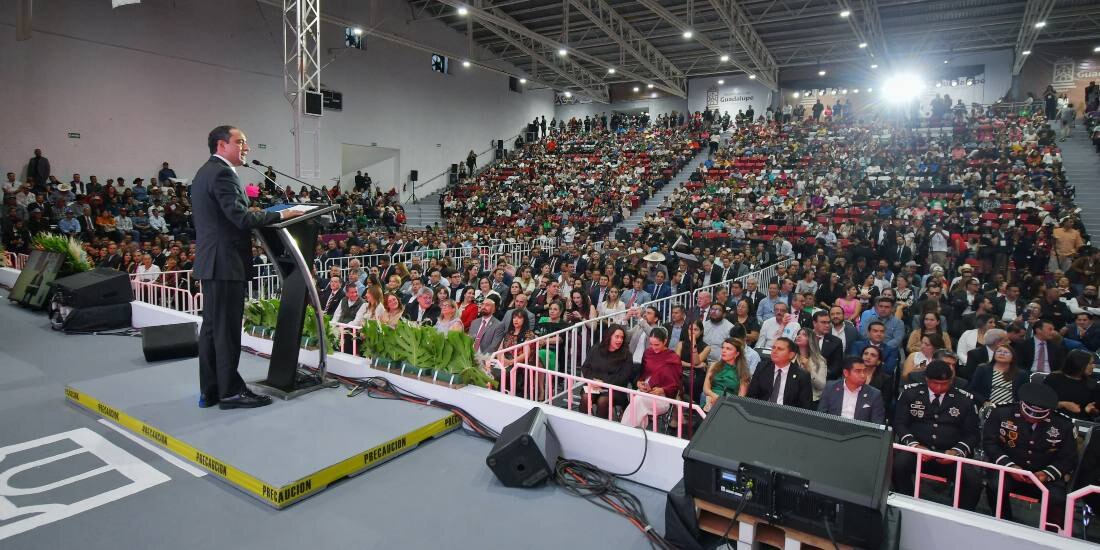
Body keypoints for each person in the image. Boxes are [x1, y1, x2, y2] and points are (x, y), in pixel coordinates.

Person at [191, 125, 303, 410]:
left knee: (213, 329)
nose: (247, 148)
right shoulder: (222, 173)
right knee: (226, 331)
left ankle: (211, 391)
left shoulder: (204, 172)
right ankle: (230, 393)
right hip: (225, 263)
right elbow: (240, 218)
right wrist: (280, 214)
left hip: (213, 262)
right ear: (221, 145)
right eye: (240, 142)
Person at [982, 382, 1076, 527]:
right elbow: (990, 443)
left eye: (1038, 415)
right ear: (1022, 404)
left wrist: (1046, 474)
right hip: (1010, 470)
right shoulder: (1001, 413)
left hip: (1045, 475)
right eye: (1029, 412)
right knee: (995, 486)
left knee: (1057, 499)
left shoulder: (1064, 425)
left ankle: (1052, 532)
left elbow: (1068, 457)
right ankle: (1003, 523)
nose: (1032, 418)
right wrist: (1010, 466)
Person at [891, 361, 982, 510]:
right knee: (897, 466)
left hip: (949, 455)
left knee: (973, 481)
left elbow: (972, 434)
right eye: (935, 383)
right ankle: (905, 505)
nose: (939, 388)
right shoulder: (911, 393)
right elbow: (900, 423)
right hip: (917, 451)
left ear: (951, 381)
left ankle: (961, 515)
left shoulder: (964, 400)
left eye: (944, 384)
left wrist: (956, 451)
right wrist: (914, 445)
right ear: (926, 379)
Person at [620, 327, 682, 429]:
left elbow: (676, 384)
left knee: (638, 400)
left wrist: (662, 390)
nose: (653, 347)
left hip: (663, 397)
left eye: (657, 345)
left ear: (665, 341)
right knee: (638, 401)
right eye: (651, 344)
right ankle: (633, 432)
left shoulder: (673, 358)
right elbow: (642, 374)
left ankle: (625, 430)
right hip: (646, 391)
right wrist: (639, 383)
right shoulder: (648, 352)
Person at [580, 324, 634, 418]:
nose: (620, 340)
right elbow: (585, 368)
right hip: (595, 385)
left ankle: (600, 426)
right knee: (585, 398)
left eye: (622, 337)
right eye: (617, 337)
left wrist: (603, 382)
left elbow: (623, 377)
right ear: (609, 336)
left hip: (615, 388)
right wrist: (593, 380)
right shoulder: (596, 349)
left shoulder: (627, 355)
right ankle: (584, 423)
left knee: (603, 401)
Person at [745, 337, 813, 409]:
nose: (774, 351)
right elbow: (751, 395)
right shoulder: (762, 367)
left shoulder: (802, 375)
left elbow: (805, 405)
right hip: (762, 409)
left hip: (787, 413)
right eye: (773, 348)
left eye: (780, 349)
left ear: (791, 355)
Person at [818, 357, 886, 424]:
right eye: (858, 371)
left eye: (864, 371)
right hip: (832, 428)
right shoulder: (830, 387)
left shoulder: (874, 394)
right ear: (846, 373)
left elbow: (877, 424)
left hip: (860, 430)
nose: (863, 375)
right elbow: (821, 415)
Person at [1043, 349, 1099, 420]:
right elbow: (1041, 402)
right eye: (1090, 363)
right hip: (1051, 418)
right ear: (1079, 364)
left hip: (1080, 420)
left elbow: (1095, 413)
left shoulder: (1092, 385)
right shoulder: (1053, 379)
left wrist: (1090, 410)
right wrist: (1062, 404)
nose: (1093, 366)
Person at [967, 342, 1028, 407]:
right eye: (999, 351)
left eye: (1006, 352)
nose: (1002, 354)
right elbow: (972, 390)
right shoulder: (982, 369)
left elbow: (1025, 394)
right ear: (994, 355)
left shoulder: (1021, 374)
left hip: (1011, 408)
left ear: (1012, 357)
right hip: (987, 406)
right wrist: (984, 402)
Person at [703, 338, 751, 411]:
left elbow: (741, 397)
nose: (723, 351)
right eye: (723, 348)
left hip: (729, 405)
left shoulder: (743, 372)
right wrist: (715, 397)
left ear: (737, 354)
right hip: (710, 401)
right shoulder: (714, 365)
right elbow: (706, 388)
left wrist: (723, 402)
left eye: (728, 349)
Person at [676, 320, 710, 406]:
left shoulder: (707, 347)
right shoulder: (681, 344)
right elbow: (676, 361)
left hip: (696, 374)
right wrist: (691, 365)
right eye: (690, 329)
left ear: (701, 331)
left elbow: (696, 361)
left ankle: (691, 405)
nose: (692, 332)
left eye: (695, 329)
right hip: (681, 371)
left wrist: (693, 343)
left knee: (692, 383)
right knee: (675, 379)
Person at [793, 328, 829, 405]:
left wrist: (809, 369)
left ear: (811, 340)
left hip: (810, 400)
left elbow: (822, 386)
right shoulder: (790, 357)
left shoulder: (819, 361)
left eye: (804, 335)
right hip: (790, 398)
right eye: (798, 334)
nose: (799, 336)